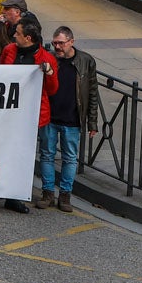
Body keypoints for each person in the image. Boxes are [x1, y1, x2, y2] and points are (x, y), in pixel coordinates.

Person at [43, 25, 99, 213]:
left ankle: (65, 195)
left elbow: (92, 93)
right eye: (55, 43)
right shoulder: (50, 59)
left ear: (71, 42)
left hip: (72, 118)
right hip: (50, 117)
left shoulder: (86, 61)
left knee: (69, 158)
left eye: (61, 43)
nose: (57, 47)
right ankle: (48, 193)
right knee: (47, 155)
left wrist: (92, 122)